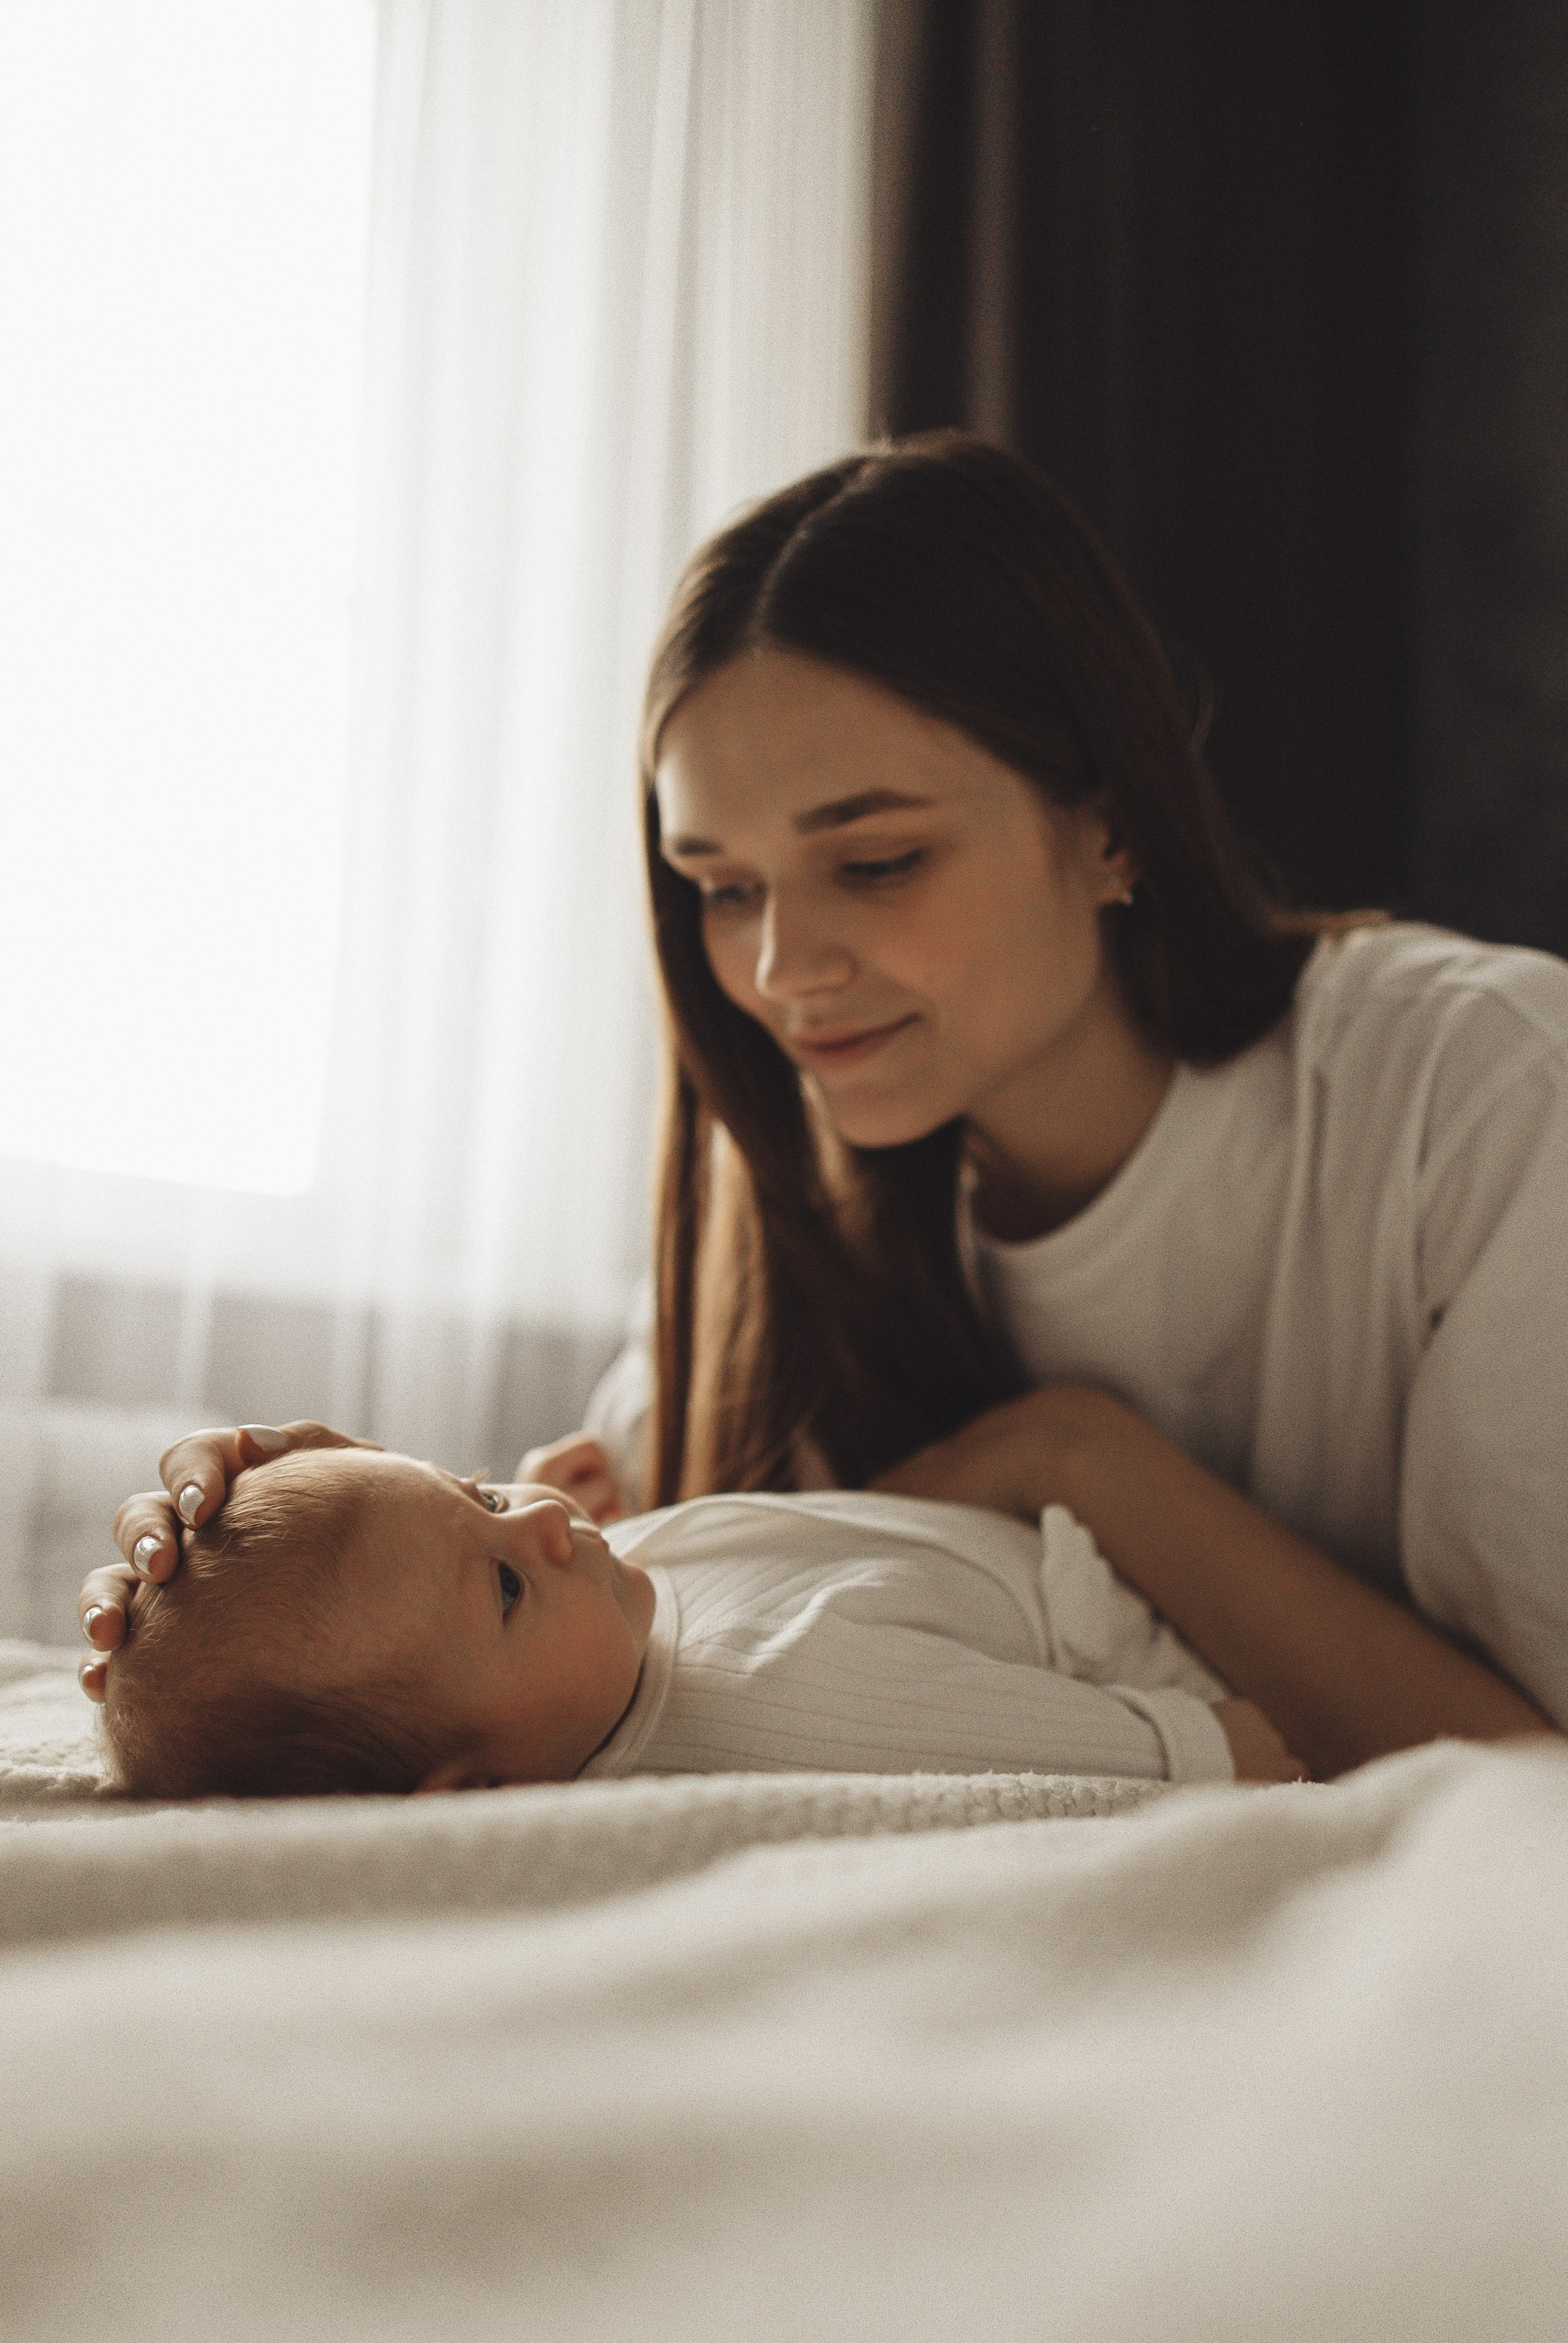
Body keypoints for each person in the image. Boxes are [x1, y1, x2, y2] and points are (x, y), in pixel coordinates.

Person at [81, 434, 1567, 1781]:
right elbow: (573, 1644)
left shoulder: (1484, 1089)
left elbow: (1530, 1769)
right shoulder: (803, 1187)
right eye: (722, 889)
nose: (782, 974)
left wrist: (1077, 1460)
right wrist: (350, 1506)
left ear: (1110, 823)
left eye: (874, 864)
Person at [98, 1444, 1305, 1798]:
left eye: (480, 1496)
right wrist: (1288, 1732)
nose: (548, 1523)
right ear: (473, 1796)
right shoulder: (803, 1708)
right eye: (506, 1583)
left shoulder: (598, 1635)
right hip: (1190, 1632)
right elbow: (1181, 1756)